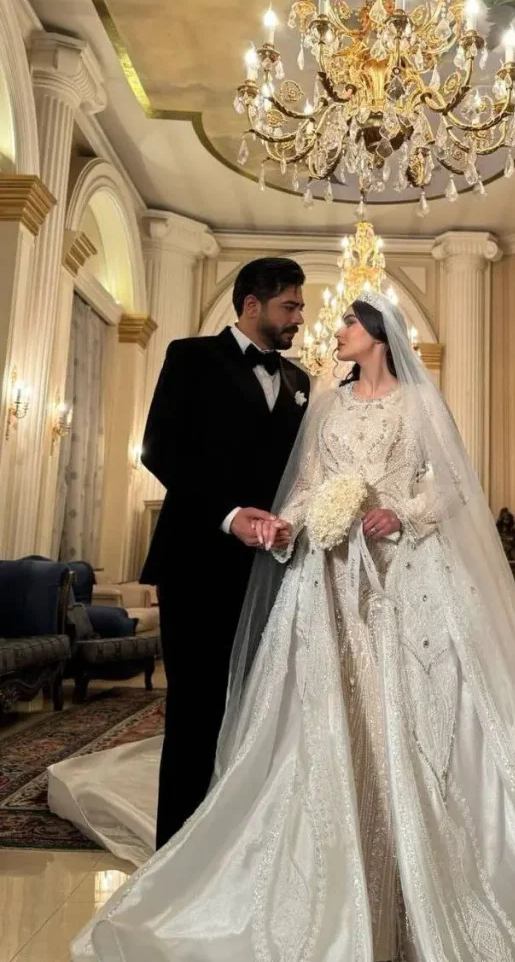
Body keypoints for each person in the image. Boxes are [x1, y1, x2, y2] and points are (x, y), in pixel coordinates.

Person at [71, 292, 515, 962]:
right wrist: (287, 526)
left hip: (406, 573)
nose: (334, 330)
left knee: (415, 705)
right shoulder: (327, 405)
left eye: (346, 322)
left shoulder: (420, 404)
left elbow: (451, 485)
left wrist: (402, 513)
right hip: (328, 576)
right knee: (322, 707)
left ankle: (426, 840)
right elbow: (307, 485)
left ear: (377, 334)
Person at [140, 256, 309, 848]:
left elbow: (299, 473)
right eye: (290, 306)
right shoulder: (190, 357)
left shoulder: (300, 381)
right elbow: (159, 450)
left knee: (259, 711)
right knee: (195, 711)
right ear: (252, 305)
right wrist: (230, 515)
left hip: (273, 572)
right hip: (196, 565)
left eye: (301, 307)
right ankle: (176, 850)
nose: (300, 318)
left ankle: (240, 848)